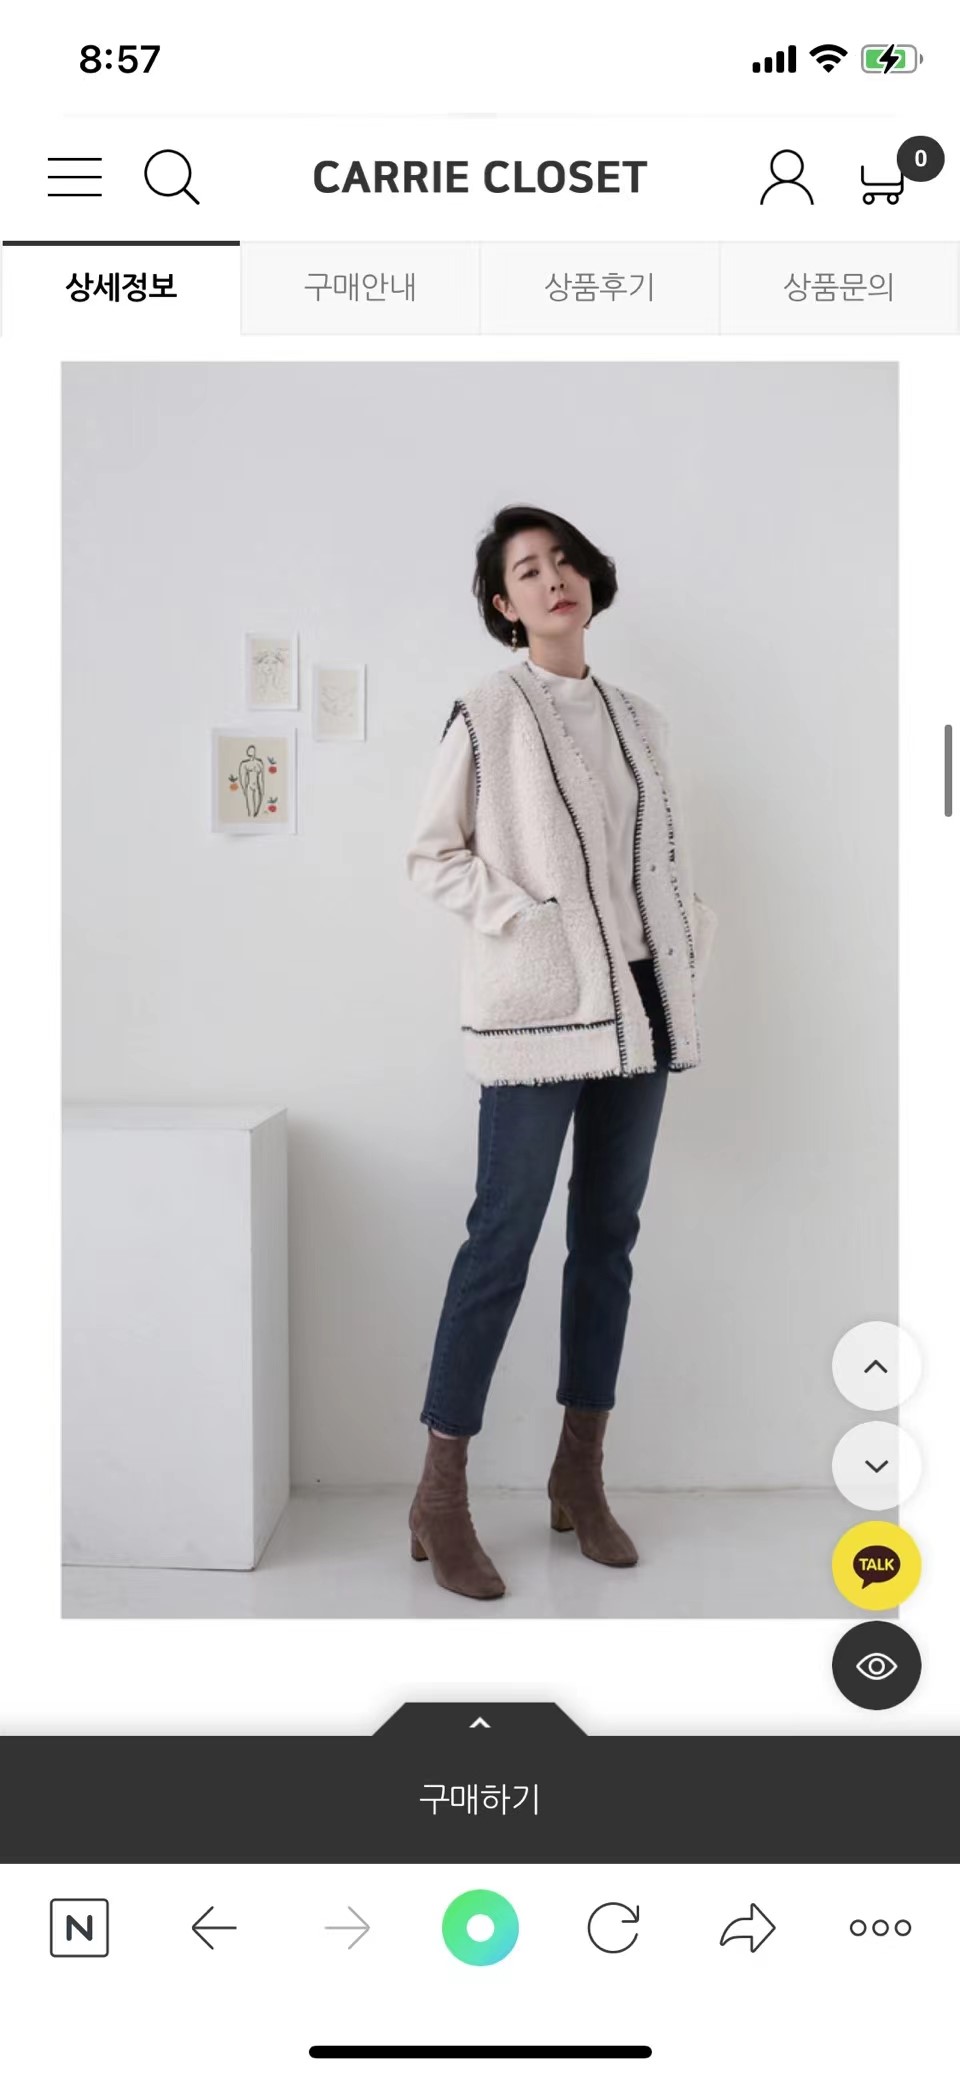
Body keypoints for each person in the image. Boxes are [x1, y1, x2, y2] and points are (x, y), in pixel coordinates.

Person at [404, 504, 717, 1600]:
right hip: (541, 1012)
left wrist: (688, 934)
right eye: (529, 570)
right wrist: (529, 923)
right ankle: (440, 1493)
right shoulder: (487, 711)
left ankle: (579, 1475)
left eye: (565, 561)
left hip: (643, 1009)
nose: (554, 579)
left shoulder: (640, 720)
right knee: (501, 1240)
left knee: (607, 1242)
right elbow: (431, 855)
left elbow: (659, 862)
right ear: (504, 603)